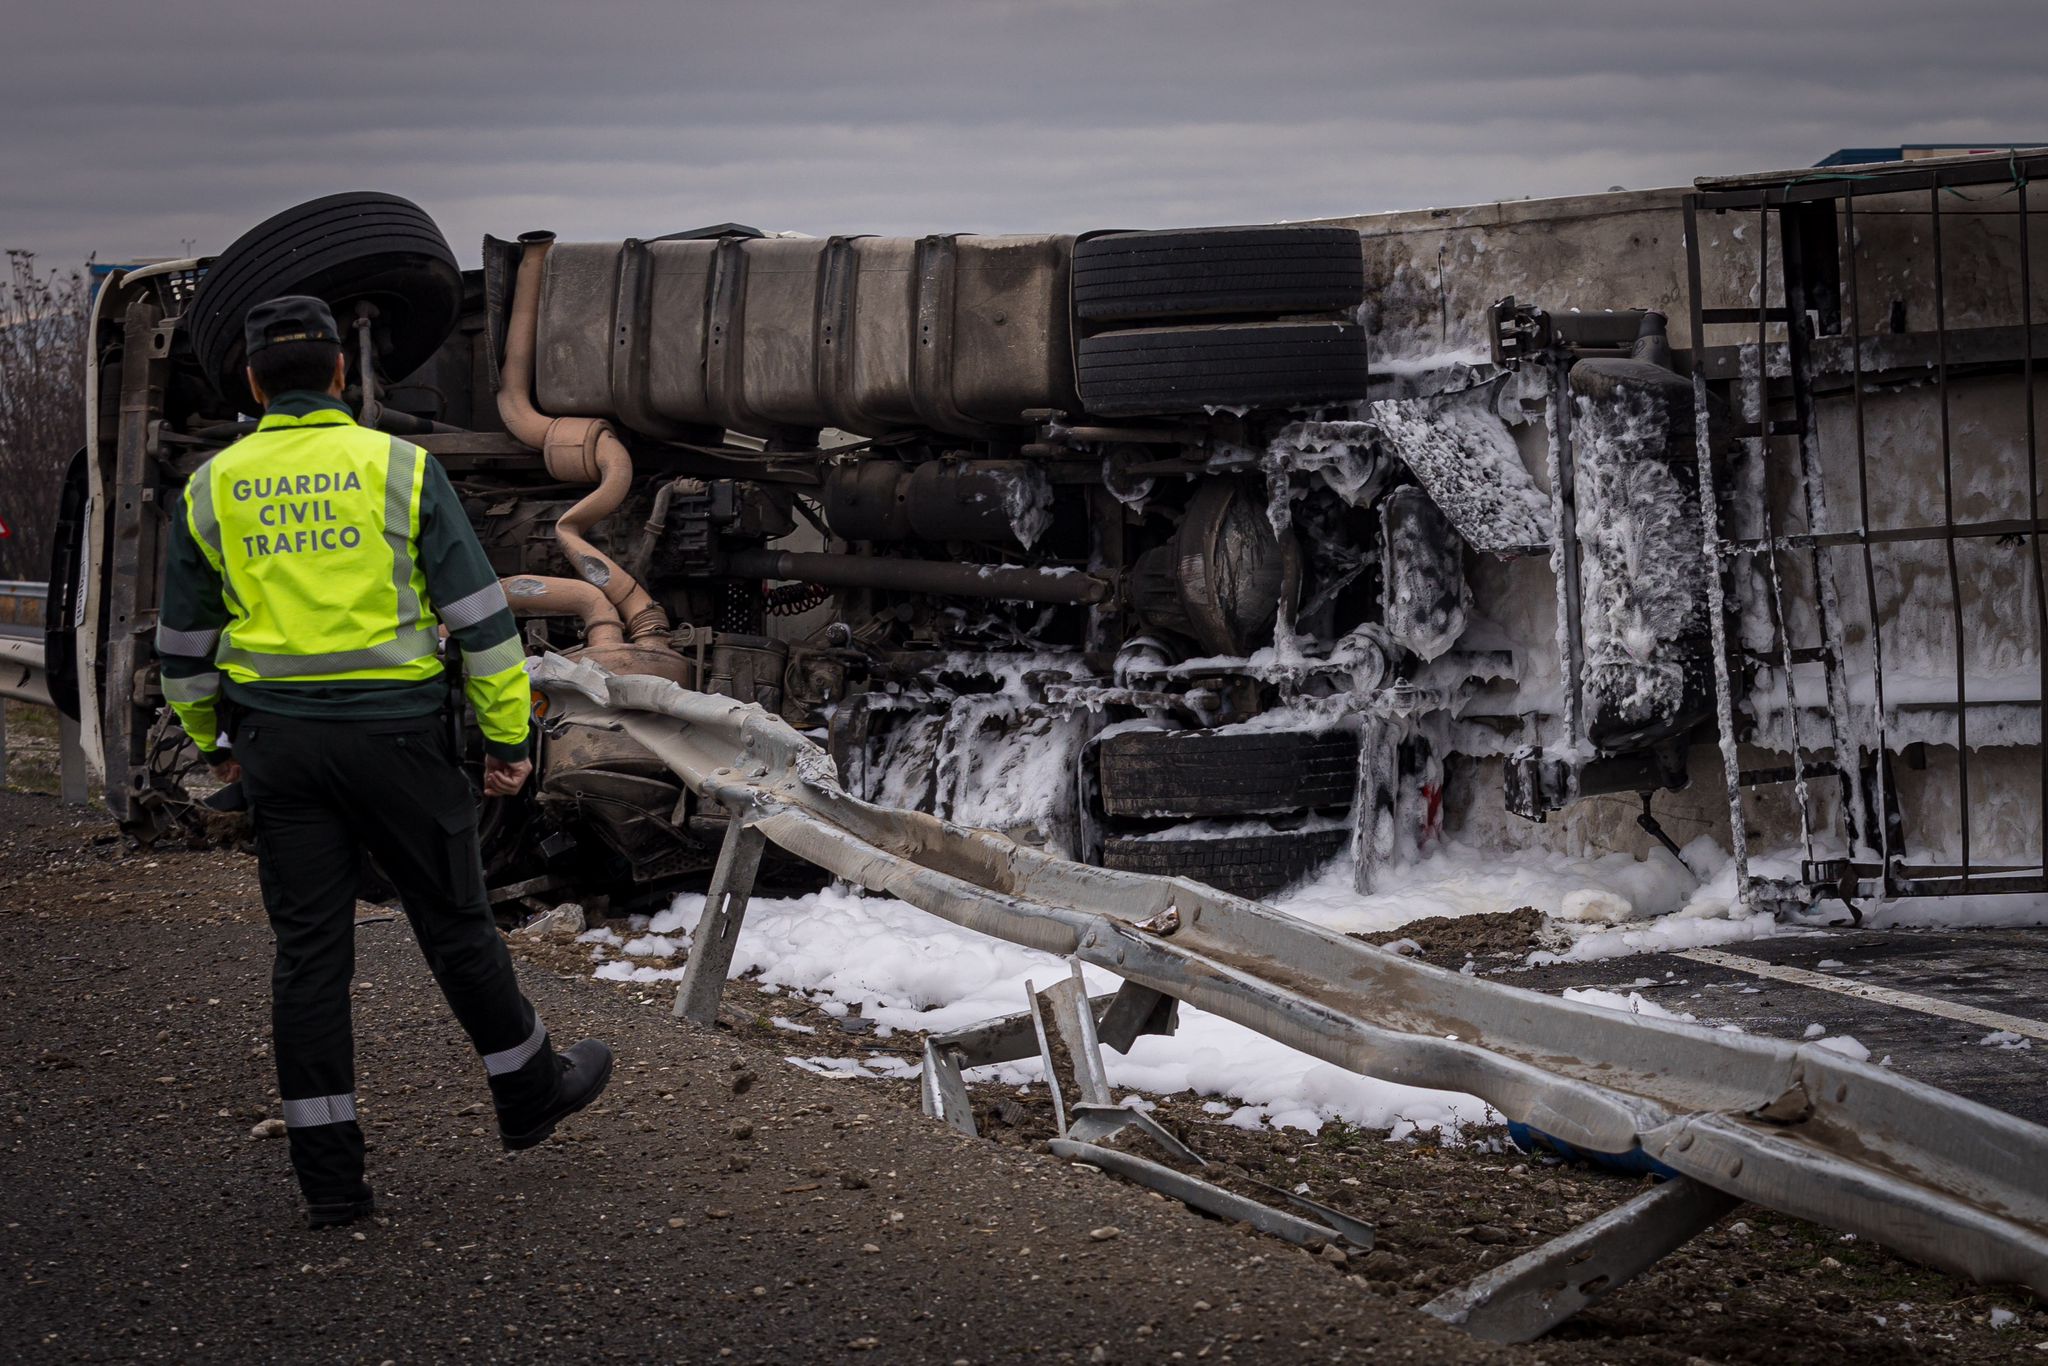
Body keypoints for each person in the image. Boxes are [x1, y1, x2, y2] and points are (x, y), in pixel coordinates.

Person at [156, 295, 612, 1228]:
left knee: (310, 959)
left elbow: (183, 649)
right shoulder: (399, 468)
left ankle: (330, 1179)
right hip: (401, 741)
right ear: (337, 375)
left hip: (279, 748)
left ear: (251, 381)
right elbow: (483, 624)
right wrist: (506, 741)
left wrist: (220, 747)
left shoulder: (213, 485)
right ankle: (527, 1093)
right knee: (454, 924)